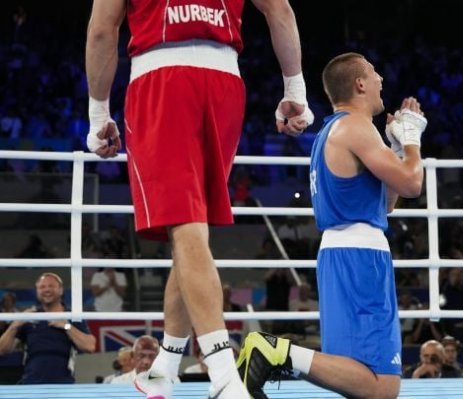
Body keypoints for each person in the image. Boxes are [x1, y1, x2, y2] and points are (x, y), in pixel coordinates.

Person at [85, 0, 312, 397]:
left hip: (161, 81)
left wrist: (98, 114)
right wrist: (295, 89)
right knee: (190, 232)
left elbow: (104, 30)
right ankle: (165, 368)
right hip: (224, 86)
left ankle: (223, 375)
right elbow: (281, 11)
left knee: (187, 229)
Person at [237, 52, 426, 398]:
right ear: (359, 84)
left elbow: (387, 203)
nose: (381, 79)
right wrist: (412, 141)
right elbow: (413, 185)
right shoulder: (356, 128)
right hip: (359, 257)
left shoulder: (331, 130)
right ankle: (276, 352)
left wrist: (398, 150)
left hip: (344, 252)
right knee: (383, 386)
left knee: (357, 375)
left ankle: (277, 354)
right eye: (374, 72)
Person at [0, 272, 96, 384]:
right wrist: (14, 325)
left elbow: (90, 347)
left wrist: (66, 326)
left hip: (63, 385)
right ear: (37, 291)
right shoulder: (30, 316)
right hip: (31, 384)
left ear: (61, 290)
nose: (46, 290)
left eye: (51, 286)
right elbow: (2, 350)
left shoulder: (72, 316)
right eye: (42, 287)